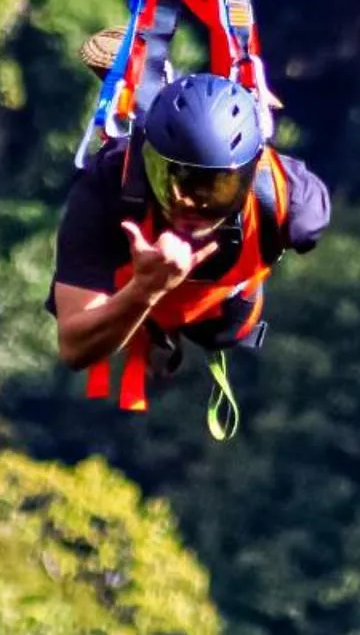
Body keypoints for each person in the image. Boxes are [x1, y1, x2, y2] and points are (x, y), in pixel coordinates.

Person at [47, 58, 330, 421]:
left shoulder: (289, 202)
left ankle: (171, 101)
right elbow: (73, 347)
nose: (187, 202)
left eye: (212, 188)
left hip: (219, 308)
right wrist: (147, 289)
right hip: (127, 290)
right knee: (197, 324)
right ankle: (160, 97)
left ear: (244, 179)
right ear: (146, 162)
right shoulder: (108, 191)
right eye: (171, 178)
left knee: (227, 330)